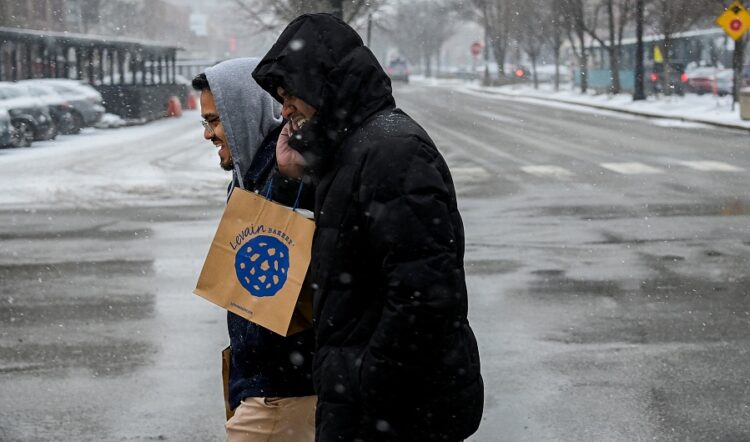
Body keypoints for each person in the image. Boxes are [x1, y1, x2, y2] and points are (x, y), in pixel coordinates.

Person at [252, 14, 484, 442]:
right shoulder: (353, 149)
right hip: (373, 408)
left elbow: (425, 297)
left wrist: (366, 385)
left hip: (396, 414)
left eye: (290, 95)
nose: (283, 110)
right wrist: (294, 173)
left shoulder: (390, 152)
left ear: (322, 83)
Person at [192, 57, 316, 442]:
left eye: (214, 121)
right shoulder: (249, 178)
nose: (208, 135)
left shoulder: (287, 175)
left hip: (282, 393)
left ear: (242, 112)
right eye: (205, 123)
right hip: (263, 386)